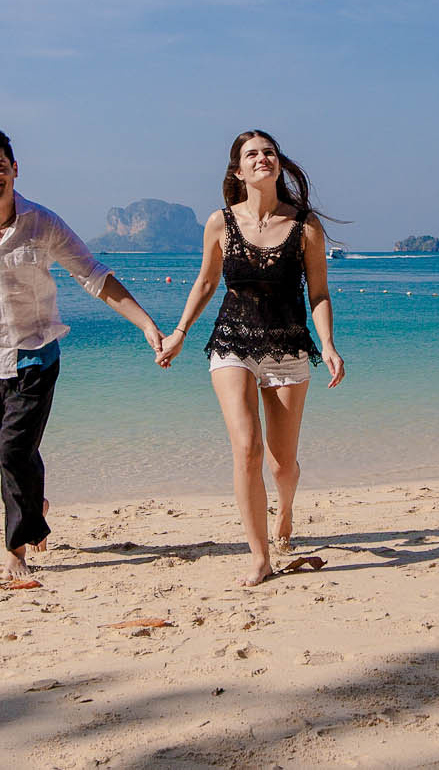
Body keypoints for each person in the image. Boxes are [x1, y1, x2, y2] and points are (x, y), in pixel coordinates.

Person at [0, 127, 164, 583]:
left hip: (35, 355)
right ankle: (35, 504)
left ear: (15, 170)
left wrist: (146, 323)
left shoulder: (43, 222)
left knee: (12, 451)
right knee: (9, 454)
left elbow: (92, 274)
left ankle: (16, 549)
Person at [158, 130, 344, 586]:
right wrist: (180, 332)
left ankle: (285, 512)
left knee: (282, 463)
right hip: (232, 343)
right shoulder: (219, 223)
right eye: (252, 154)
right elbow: (205, 283)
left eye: (269, 152)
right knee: (247, 448)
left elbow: (318, 293)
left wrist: (329, 344)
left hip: (288, 346)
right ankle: (260, 557)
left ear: (277, 165)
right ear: (238, 171)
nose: (263, 158)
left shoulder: (305, 224)